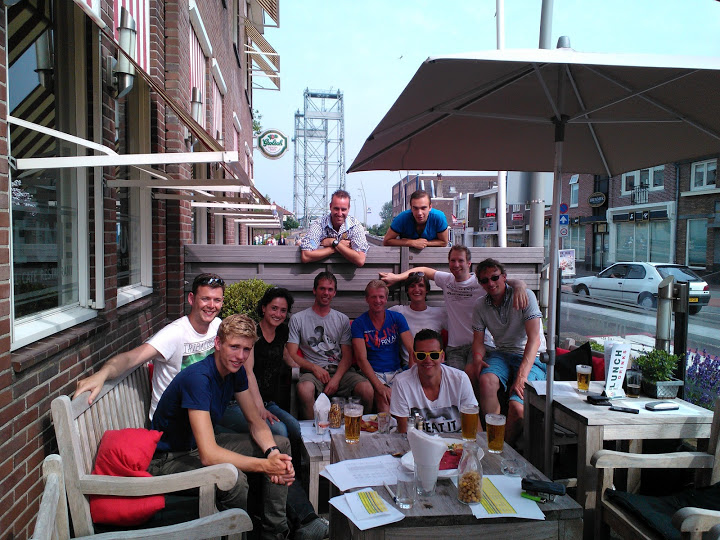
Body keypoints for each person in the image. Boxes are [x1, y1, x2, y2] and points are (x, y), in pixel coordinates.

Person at [149, 315, 293, 540]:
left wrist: (273, 455)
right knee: (235, 479)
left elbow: (256, 422)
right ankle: (236, 536)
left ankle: (274, 533)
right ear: (217, 343)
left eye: (246, 349)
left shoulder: (235, 372)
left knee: (280, 445)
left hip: (197, 447)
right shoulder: (199, 379)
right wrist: (266, 466)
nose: (240, 356)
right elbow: (208, 455)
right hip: (168, 459)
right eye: (234, 347)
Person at [74, 273, 226, 414]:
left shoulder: (216, 326)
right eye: (205, 299)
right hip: (172, 422)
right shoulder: (174, 334)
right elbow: (129, 358)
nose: (211, 305)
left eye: (217, 300)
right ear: (191, 299)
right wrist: (101, 375)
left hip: (204, 409)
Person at [380, 246, 528, 377]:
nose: (456, 264)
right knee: (456, 382)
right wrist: (397, 277)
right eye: (453, 260)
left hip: (480, 345)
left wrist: (519, 285)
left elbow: (502, 281)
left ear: (469, 263)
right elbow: (424, 270)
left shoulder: (481, 282)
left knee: (472, 375)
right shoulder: (447, 280)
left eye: (460, 260)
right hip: (455, 348)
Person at [470, 258, 547, 446]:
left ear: (504, 277)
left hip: (532, 356)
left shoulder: (525, 295)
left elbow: (534, 340)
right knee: (486, 380)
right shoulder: (480, 305)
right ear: (480, 283)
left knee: (517, 408)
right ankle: (493, 438)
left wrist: (521, 377)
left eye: (495, 277)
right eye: (485, 280)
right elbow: (478, 341)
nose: (491, 283)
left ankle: (502, 447)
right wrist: (478, 358)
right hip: (502, 353)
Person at [287, 271, 374, 419]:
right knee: (304, 389)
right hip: (312, 373)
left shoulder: (342, 320)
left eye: (330, 289)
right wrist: (314, 368)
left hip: (340, 371)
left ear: (334, 293)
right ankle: (313, 430)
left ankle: (361, 429)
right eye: (322, 288)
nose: (326, 293)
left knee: (366, 389)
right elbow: (292, 353)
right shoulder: (298, 319)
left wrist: (336, 379)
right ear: (314, 290)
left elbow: (347, 356)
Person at [390, 329, 477, 434]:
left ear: (442, 357)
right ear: (414, 357)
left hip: (456, 443)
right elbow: (404, 433)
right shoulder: (402, 383)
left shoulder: (460, 380)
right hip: (417, 443)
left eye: (434, 355)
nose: (427, 360)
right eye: (421, 355)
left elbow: (474, 429)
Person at [351, 280, 414, 413]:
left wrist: (411, 376)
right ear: (367, 299)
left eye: (381, 297)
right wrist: (380, 387)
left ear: (386, 299)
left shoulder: (397, 318)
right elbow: (361, 359)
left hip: (396, 372)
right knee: (384, 403)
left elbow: (412, 349)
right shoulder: (359, 323)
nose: (377, 301)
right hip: (373, 373)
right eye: (373, 297)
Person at [388, 271, 447, 366]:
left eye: (421, 285)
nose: (416, 289)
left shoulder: (440, 313)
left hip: (434, 366)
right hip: (409, 367)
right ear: (407, 290)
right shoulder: (398, 311)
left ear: (427, 290)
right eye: (412, 286)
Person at [300, 189, 369, 267]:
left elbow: (360, 260)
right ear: (330, 207)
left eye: (343, 209)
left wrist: (333, 243)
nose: (339, 213)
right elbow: (306, 256)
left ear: (349, 209)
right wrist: (336, 246)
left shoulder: (355, 225)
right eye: (336, 209)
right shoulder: (319, 224)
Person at [383, 190, 449, 249]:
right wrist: (412, 242)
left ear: (430, 207)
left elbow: (444, 242)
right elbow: (386, 241)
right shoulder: (402, 218)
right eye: (415, 208)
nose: (419, 213)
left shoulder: (439, 217)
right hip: (406, 257)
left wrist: (423, 243)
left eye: (423, 208)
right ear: (411, 207)